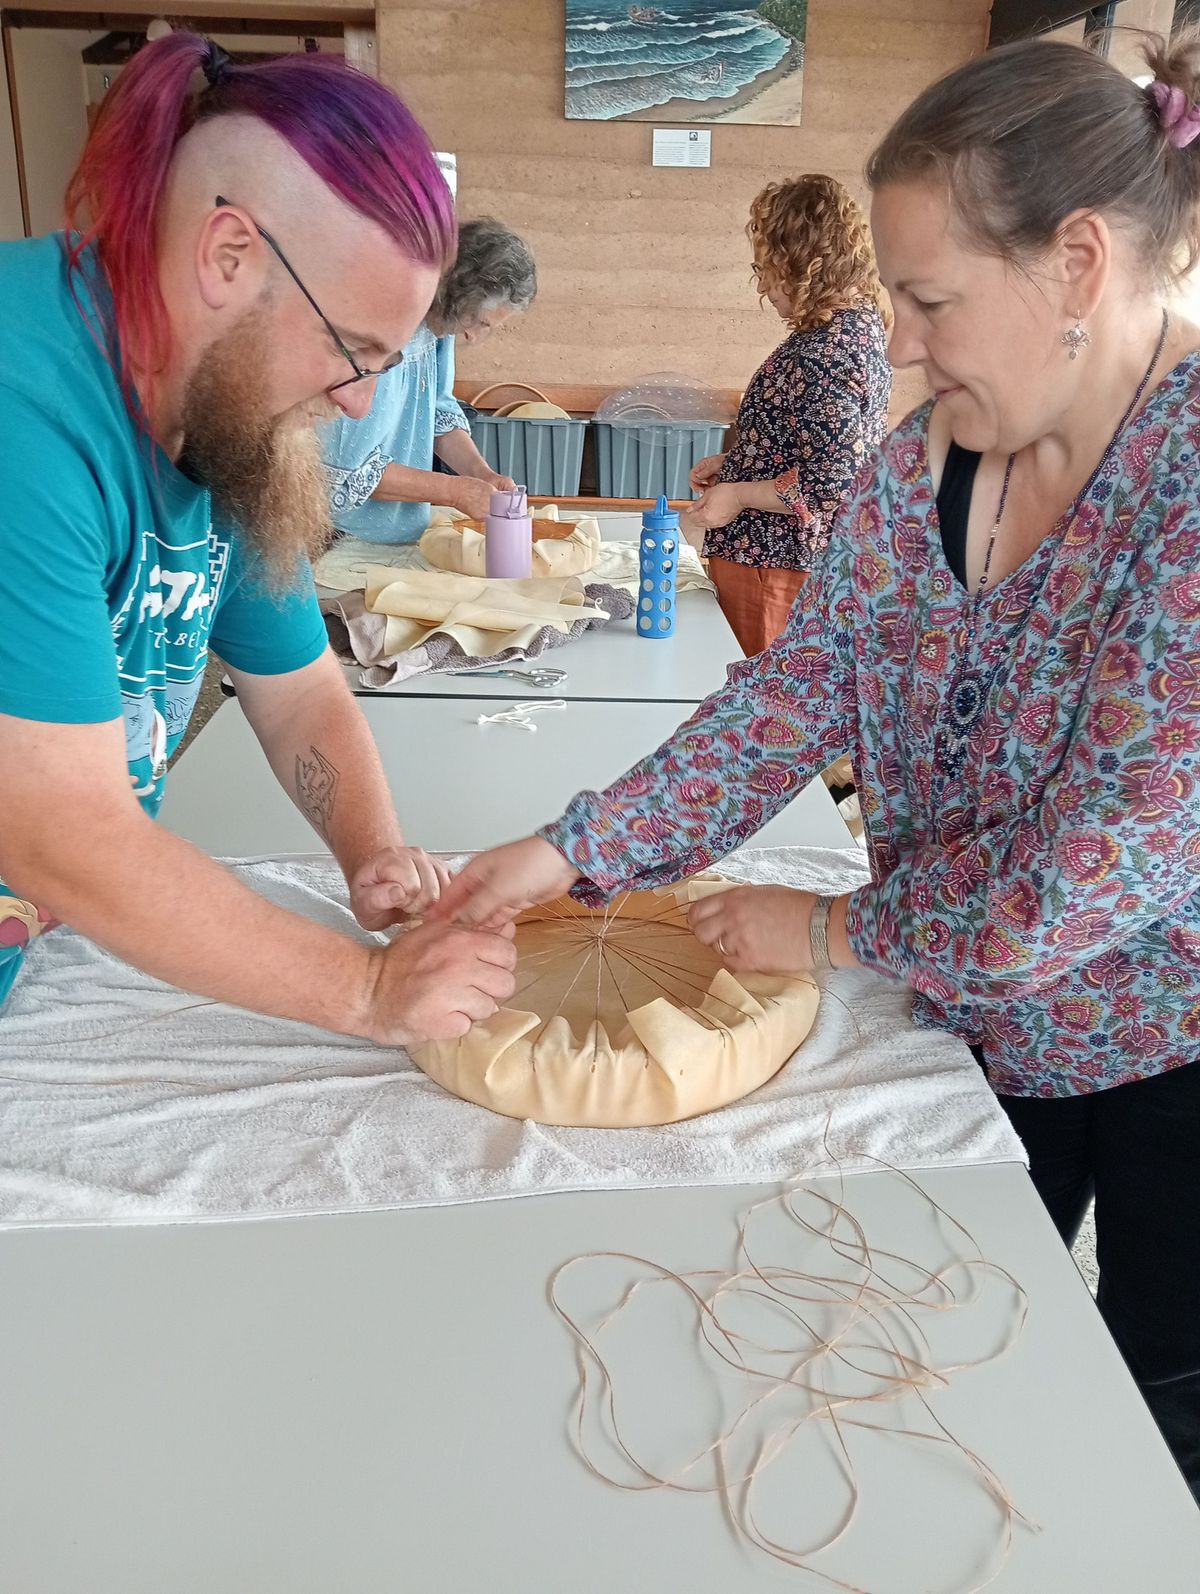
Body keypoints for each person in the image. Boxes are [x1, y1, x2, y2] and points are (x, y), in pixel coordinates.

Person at [435, 32, 1200, 1500]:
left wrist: (831, 927)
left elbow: (1059, 889)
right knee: (960, 1352)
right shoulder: (925, 469)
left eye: (925, 299)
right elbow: (794, 699)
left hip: (1169, 1055)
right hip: (974, 1030)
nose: (895, 345)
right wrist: (567, 850)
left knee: (1154, 1409)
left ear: (1080, 266)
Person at [0, 35, 516, 1042]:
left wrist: (373, 855)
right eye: (351, 349)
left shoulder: (230, 414)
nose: (363, 399)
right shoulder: (24, 403)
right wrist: (364, 993)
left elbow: (297, 692)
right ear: (229, 256)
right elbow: (62, 832)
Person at [683, 175, 891, 656]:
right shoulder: (857, 330)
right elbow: (818, 447)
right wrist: (742, 462)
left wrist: (736, 493)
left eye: (765, 269)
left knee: (763, 708)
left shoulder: (825, 351)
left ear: (800, 264)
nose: (762, 286)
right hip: (789, 561)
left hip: (773, 567)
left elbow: (829, 484)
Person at [321, 217, 538, 541]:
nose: (474, 336)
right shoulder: (379, 333)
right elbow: (345, 471)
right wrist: (454, 491)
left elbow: (439, 413)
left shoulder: (442, 329)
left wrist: (481, 474)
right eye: (478, 320)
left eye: (491, 327)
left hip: (401, 535)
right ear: (452, 291)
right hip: (337, 537)